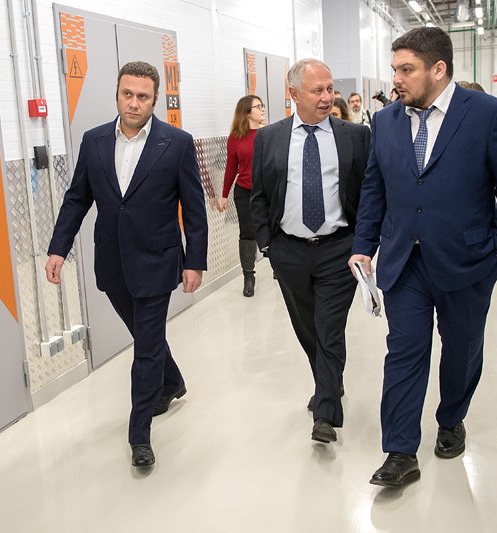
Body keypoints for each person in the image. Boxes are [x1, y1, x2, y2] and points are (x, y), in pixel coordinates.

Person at [350, 27, 497, 488]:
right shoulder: (385, 121)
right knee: (404, 351)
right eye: (394, 69)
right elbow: (374, 188)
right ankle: (400, 451)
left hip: (468, 261)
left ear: (438, 69)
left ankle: (451, 418)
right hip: (403, 260)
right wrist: (363, 246)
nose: (396, 79)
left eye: (406, 69)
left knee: (462, 349)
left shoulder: (487, 114)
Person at [45, 61, 208, 468]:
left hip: (157, 260)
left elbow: (193, 206)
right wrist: (58, 249)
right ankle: (173, 381)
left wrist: (195, 260)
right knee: (145, 335)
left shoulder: (177, 143)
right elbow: (77, 198)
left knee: (145, 348)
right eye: (127, 94)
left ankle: (140, 436)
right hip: (113, 262)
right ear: (117, 94)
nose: (134, 103)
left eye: (143, 96)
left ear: (155, 99)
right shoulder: (94, 140)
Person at [251, 59, 370, 444]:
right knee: (307, 329)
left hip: (339, 248)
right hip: (289, 250)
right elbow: (259, 196)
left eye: (330, 89)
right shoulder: (269, 138)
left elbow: (369, 192)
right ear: (294, 94)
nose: (326, 97)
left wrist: (365, 243)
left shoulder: (355, 136)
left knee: (329, 328)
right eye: (317, 90)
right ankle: (329, 381)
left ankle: (325, 412)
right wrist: (267, 245)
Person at [218, 95, 266, 297]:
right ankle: (248, 276)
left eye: (262, 105)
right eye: (258, 106)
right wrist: (224, 195)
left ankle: (279, 268)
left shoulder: (268, 134)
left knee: (272, 229)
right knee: (247, 232)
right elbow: (231, 167)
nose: (262, 109)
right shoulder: (235, 137)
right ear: (247, 112)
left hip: (267, 191)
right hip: (244, 191)